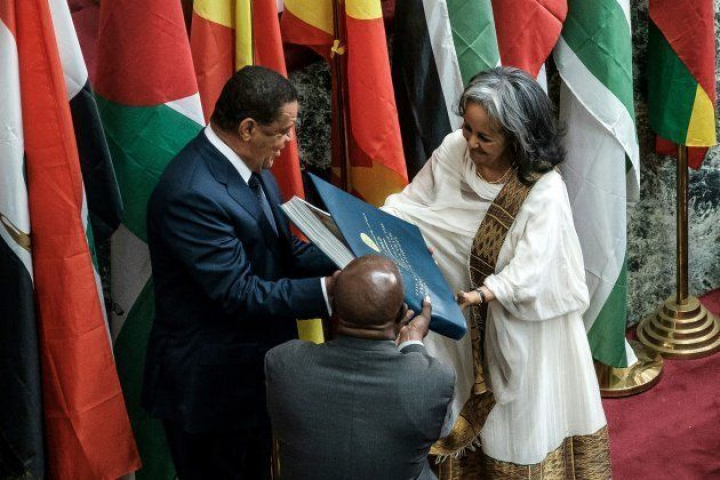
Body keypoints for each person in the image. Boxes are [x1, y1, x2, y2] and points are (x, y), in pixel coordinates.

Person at [382, 67, 611, 478]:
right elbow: (410, 205)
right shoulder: (453, 150)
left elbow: (535, 265)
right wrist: (374, 228)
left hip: (520, 327)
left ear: (517, 138)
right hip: (459, 320)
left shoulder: (543, 189)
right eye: (467, 128)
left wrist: (486, 293)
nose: (470, 142)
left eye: (485, 137)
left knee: (518, 424)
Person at [141, 65, 339, 479]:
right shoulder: (192, 193)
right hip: (210, 395)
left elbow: (285, 253)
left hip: (250, 382)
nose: (289, 141)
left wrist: (354, 254)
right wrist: (333, 291)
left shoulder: (253, 169)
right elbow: (240, 292)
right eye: (283, 131)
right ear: (248, 128)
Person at [265, 255, 456, 480]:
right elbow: (442, 429)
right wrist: (412, 343)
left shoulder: (283, 362)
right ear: (401, 315)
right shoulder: (434, 380)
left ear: (332, 307)